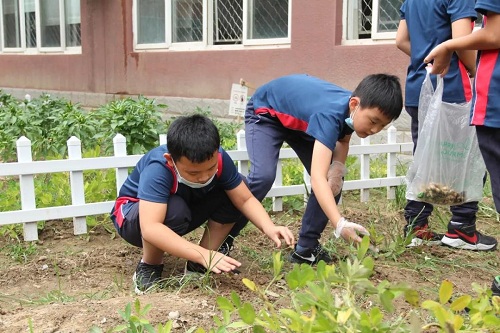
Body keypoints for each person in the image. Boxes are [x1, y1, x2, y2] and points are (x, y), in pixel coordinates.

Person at [223, 73, 403, 265]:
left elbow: (343, 138)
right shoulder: (330, 115)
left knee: (333, 182)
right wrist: (339, 224)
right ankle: (223, 237)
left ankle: (306, 249)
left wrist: (337, 170)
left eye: (382, 125)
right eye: (374, 121)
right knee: (263, 176)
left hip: (301, 123)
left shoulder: (353, 112)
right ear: (354, 104)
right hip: (267, 112)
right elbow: (317, 179)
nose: (375, 130)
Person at [110, 114, 295, 294]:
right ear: (170, 160)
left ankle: (198, 265)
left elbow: (244, 199)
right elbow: (150, 227)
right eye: (193, 173)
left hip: (181, 207)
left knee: (237, 188)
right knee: (174, 209)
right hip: (133, 221)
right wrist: (201, 253)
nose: (204, 177)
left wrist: (268, 226)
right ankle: (150, 266)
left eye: (210, 168)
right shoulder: (158, 168)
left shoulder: (220, 159)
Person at [395, 0, 497, 251]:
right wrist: (475, 68)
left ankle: (416, 225)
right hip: (452, 84)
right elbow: (462, 40)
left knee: (425, 156)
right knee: (461, 156)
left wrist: (426, 57)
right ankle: (461, 226)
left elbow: (401, 40)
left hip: (419, 84)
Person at [423, 0, 500, 299]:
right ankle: (458, 224)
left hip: (491, 100)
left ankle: (446, 222)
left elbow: (493, 34)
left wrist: (449, 46)